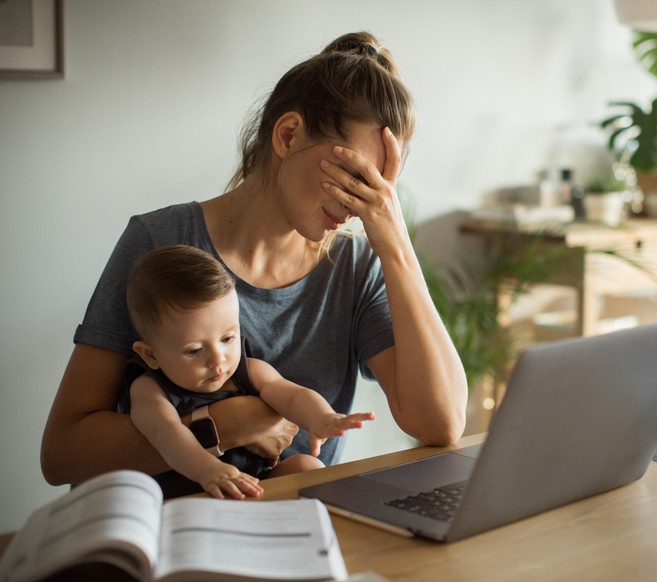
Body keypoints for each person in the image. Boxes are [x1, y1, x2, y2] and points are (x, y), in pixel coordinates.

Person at [40, 31, 468, 494]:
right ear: (288, 135)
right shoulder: (159, 241)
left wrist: (396, 245)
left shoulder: (357, 267)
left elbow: (441, 425)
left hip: (293, 534)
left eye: (381, 187)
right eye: (353, 177)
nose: (361, 206)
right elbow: (63, 454)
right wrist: (222, 425)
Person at [124, 245, 375, 499]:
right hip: (193, 497)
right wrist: (207, 470)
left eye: (228, 338)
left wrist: (321, 418)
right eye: (194, 350)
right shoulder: (149, 389)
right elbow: (167, 435)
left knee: (307, 467)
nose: (217, 359)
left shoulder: (249, 371)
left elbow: (293, 396)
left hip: (255, 488)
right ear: (151, 355)